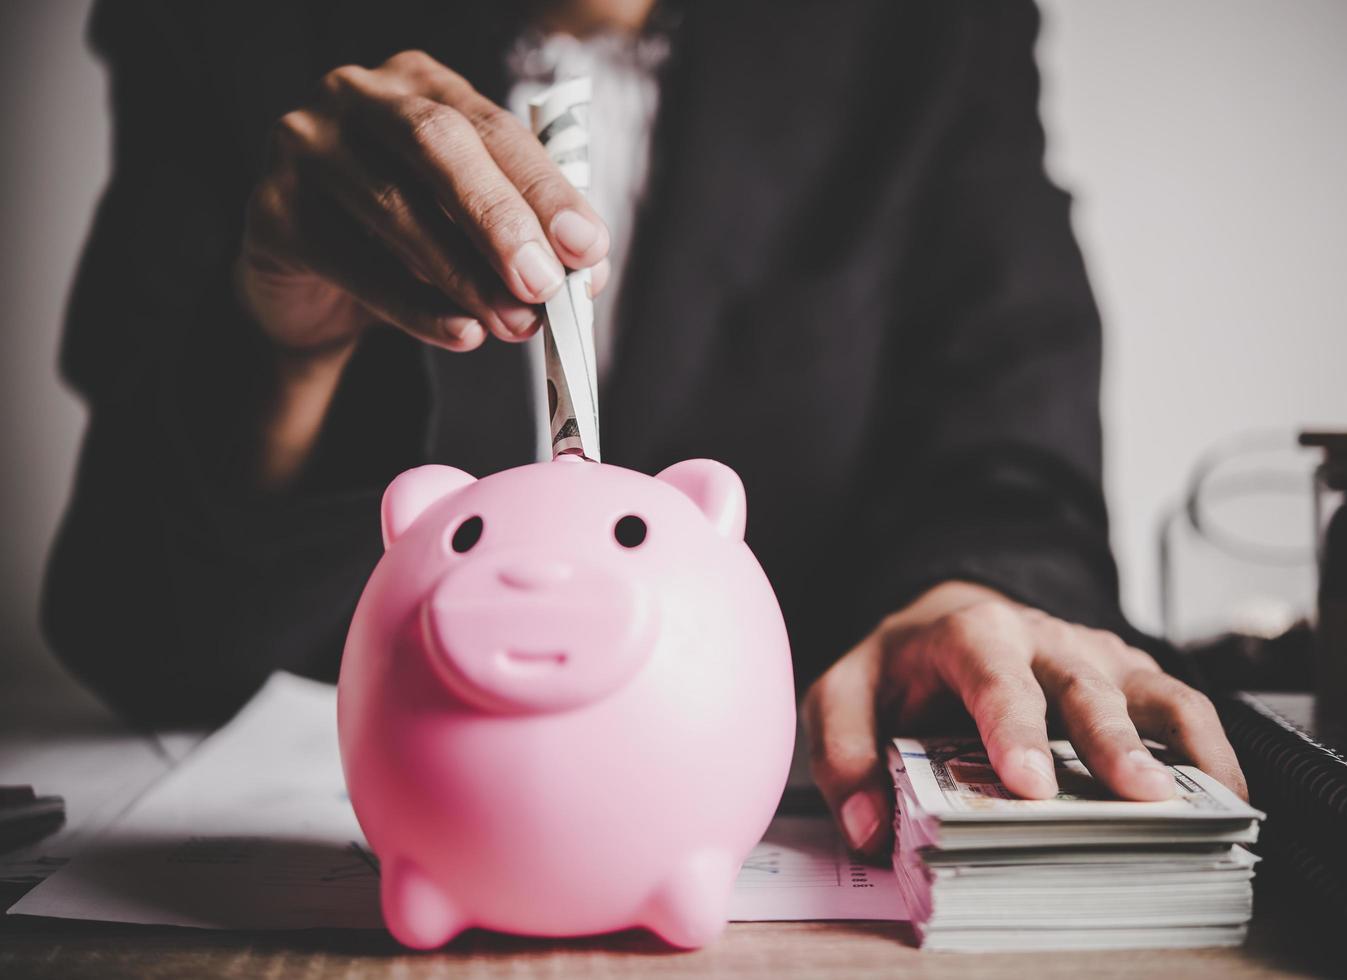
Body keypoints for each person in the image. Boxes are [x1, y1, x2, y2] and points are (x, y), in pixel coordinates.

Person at [43, 0, 1246, 857]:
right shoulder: (224, 25)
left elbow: (1005, 434)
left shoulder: (925, 31)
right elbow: (133, 617)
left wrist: (973, 588)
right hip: (354, 841)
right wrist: (285, 345)